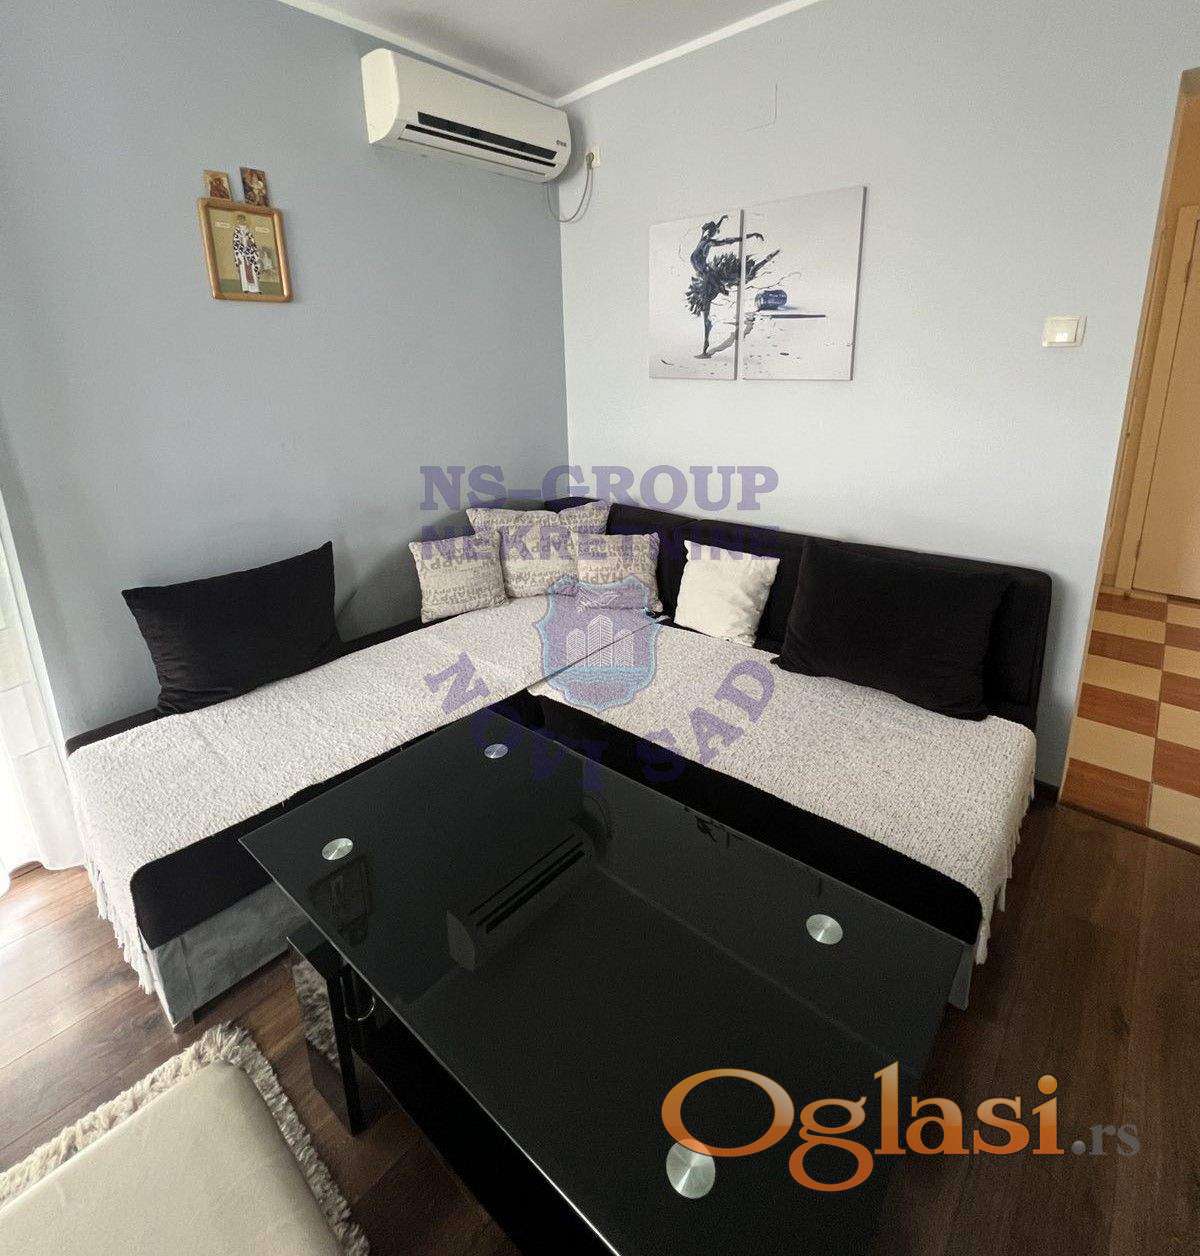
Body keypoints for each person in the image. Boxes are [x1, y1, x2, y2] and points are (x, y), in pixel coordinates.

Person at [686, 217, 779, 358]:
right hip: (706, 274)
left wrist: (748, 234)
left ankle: (705, 346)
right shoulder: (706, 241)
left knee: (734, 280)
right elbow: (726, 238)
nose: (715, 233)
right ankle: (705, 345)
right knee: (709, 301)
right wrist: (748, 234)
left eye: (713, 231)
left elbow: (730, 239)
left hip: (707, 274)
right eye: (714, 231)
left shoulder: (705, 240)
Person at [231, 215, 261, 294]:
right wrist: (239, 253)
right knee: (244, 270)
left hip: (250, 253)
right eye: (239, 220)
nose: (241, 221)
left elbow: (253, 242)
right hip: (241, 253)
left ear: (245, 221)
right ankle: (246, 288)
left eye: (242, 220)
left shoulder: (248, 231)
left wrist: (250, 245)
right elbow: (236, 243)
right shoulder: (237, 232)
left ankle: (255, 289)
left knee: (252, 270)